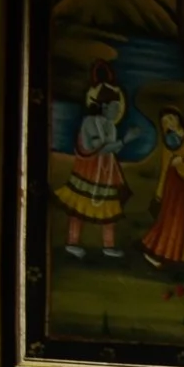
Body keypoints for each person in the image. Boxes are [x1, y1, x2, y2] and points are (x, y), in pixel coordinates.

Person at [54, 63, 131, 257]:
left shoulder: (110, 126)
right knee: (79, 205)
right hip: (88, 169)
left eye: (118, 107)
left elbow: (111, 148)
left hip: (106, 171)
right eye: (114, 106)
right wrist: (125, 140)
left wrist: (119, 144)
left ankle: (109, 245)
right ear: (104, 106)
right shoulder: (89, 122)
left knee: (109, 207)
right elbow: (97, 147)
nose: (117, 110)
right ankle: (72, 242)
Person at [139, 108, 184, 270]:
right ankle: (156, 252)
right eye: (165, 121)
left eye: (171, 118)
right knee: (173, 219)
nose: (169, 123)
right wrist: (160, 190)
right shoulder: (168, 142)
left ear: (178, 118)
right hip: (175, 184)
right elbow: (168, 165)